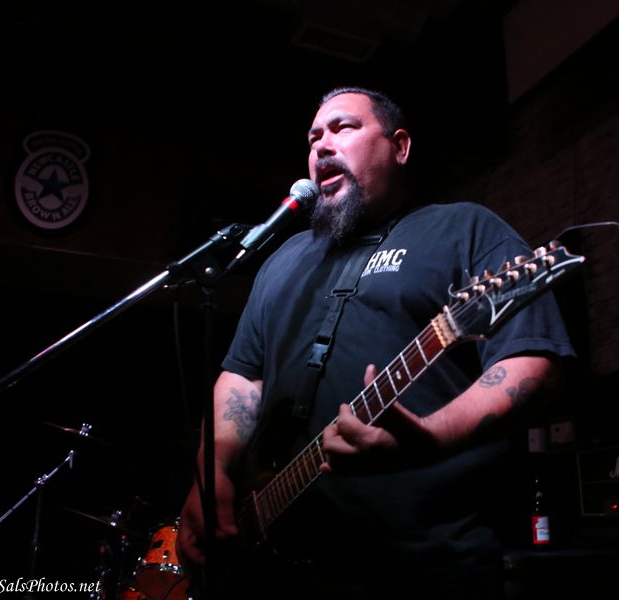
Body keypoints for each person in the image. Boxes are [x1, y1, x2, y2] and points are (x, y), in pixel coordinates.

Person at [177, 87, 574, 599]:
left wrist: (432, 436)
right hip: (276, 556)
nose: (322, 145)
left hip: (424, 566)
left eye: (343, 128)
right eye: (313, 137)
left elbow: (532, 362)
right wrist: (210, 471)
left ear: (400, 147)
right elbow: (242, 378)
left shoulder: (464, 228)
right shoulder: (282, 260)